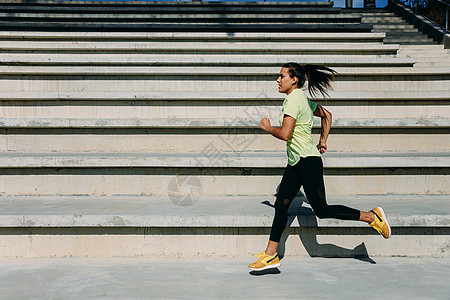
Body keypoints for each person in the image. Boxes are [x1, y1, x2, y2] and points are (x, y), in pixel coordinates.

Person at [249, 63, 391, 271]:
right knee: (281, 205)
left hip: (307, 161)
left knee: (321, 209)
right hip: (297, 161)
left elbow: (286, 134)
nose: (277, 80)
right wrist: (323, 140)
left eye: (281, 76)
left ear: (294, 79)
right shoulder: (303, 100)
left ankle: (372, 216)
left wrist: (267, 127)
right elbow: (327, 115)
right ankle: (270, 255)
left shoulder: (292, 100)